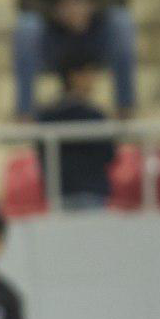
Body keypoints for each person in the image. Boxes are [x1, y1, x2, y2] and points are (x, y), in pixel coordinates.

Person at [35, 54, 116, 209]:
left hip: (61, 192)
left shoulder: (47, 115)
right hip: (87, 192)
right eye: (89, 73)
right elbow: (109, 154)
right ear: (74, 76)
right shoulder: (94, 117)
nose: (93, 79)